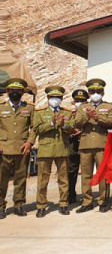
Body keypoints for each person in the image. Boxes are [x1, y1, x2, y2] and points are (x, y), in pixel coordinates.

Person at [74, 78, 112, 213]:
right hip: (86, 145)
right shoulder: (82, 107)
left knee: (103, 174)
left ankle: (103, 201)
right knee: (86, 175)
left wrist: (98, 117)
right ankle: (87, 201)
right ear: (89, 94)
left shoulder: (109, 107)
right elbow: (77, 124)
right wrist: (87, 117)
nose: (95, 93)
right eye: (92, 91)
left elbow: (111, 122)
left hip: (102, 144)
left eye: (98, 91)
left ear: (103, 93)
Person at [32, 86, 75, 217]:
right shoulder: (39, 112)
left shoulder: (67, 112)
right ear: (47, 98)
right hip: (45, 149)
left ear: (61, 99)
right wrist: (51, 123)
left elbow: (72, 129)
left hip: (62, 148)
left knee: (63, 179)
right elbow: (37, 130)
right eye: (52, 98)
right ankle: (41, 205)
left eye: (57, 98)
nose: (54, 100)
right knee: (43, 179)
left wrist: (63, 125)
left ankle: (63, 204)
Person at [0, 78, 36, 219]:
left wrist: (30, 142)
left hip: (22, 149)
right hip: (4, 149)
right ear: (7, 92)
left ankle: (19, 205)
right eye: (12, 90)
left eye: (18, 91)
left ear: (22, 92)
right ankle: (1, 206)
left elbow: (34, 128)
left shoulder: (29, 108)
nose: (15, 93)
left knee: (20, 179)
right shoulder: (1, 107)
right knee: (1, 180)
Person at [68, 89, 88, 205]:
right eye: (77, 100)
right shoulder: (70, 113)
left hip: (86, 144)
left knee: (86, 172)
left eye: (82, 101)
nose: (79, 102)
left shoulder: (89, 112)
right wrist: (71, 132)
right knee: (71, 171)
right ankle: (71, 193)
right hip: (73, 145)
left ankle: (86, 195)